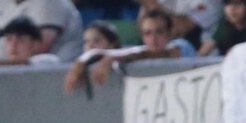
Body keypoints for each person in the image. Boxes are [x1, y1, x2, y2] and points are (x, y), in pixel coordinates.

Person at [64, 9, 196, 91]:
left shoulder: (181, 45)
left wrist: (112, 59)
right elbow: (104, 52)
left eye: (159, 32)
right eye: (147, 33)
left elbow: (160, 53)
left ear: (170, 33)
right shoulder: (142, 51)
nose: (153, 38)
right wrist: (81, 62)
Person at [0, 0, 84, 61]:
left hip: (57, 78)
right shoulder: (0, 3)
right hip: (14, 77)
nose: (13, 44)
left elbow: (38, 49)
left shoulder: (52, 2)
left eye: (20, 38)